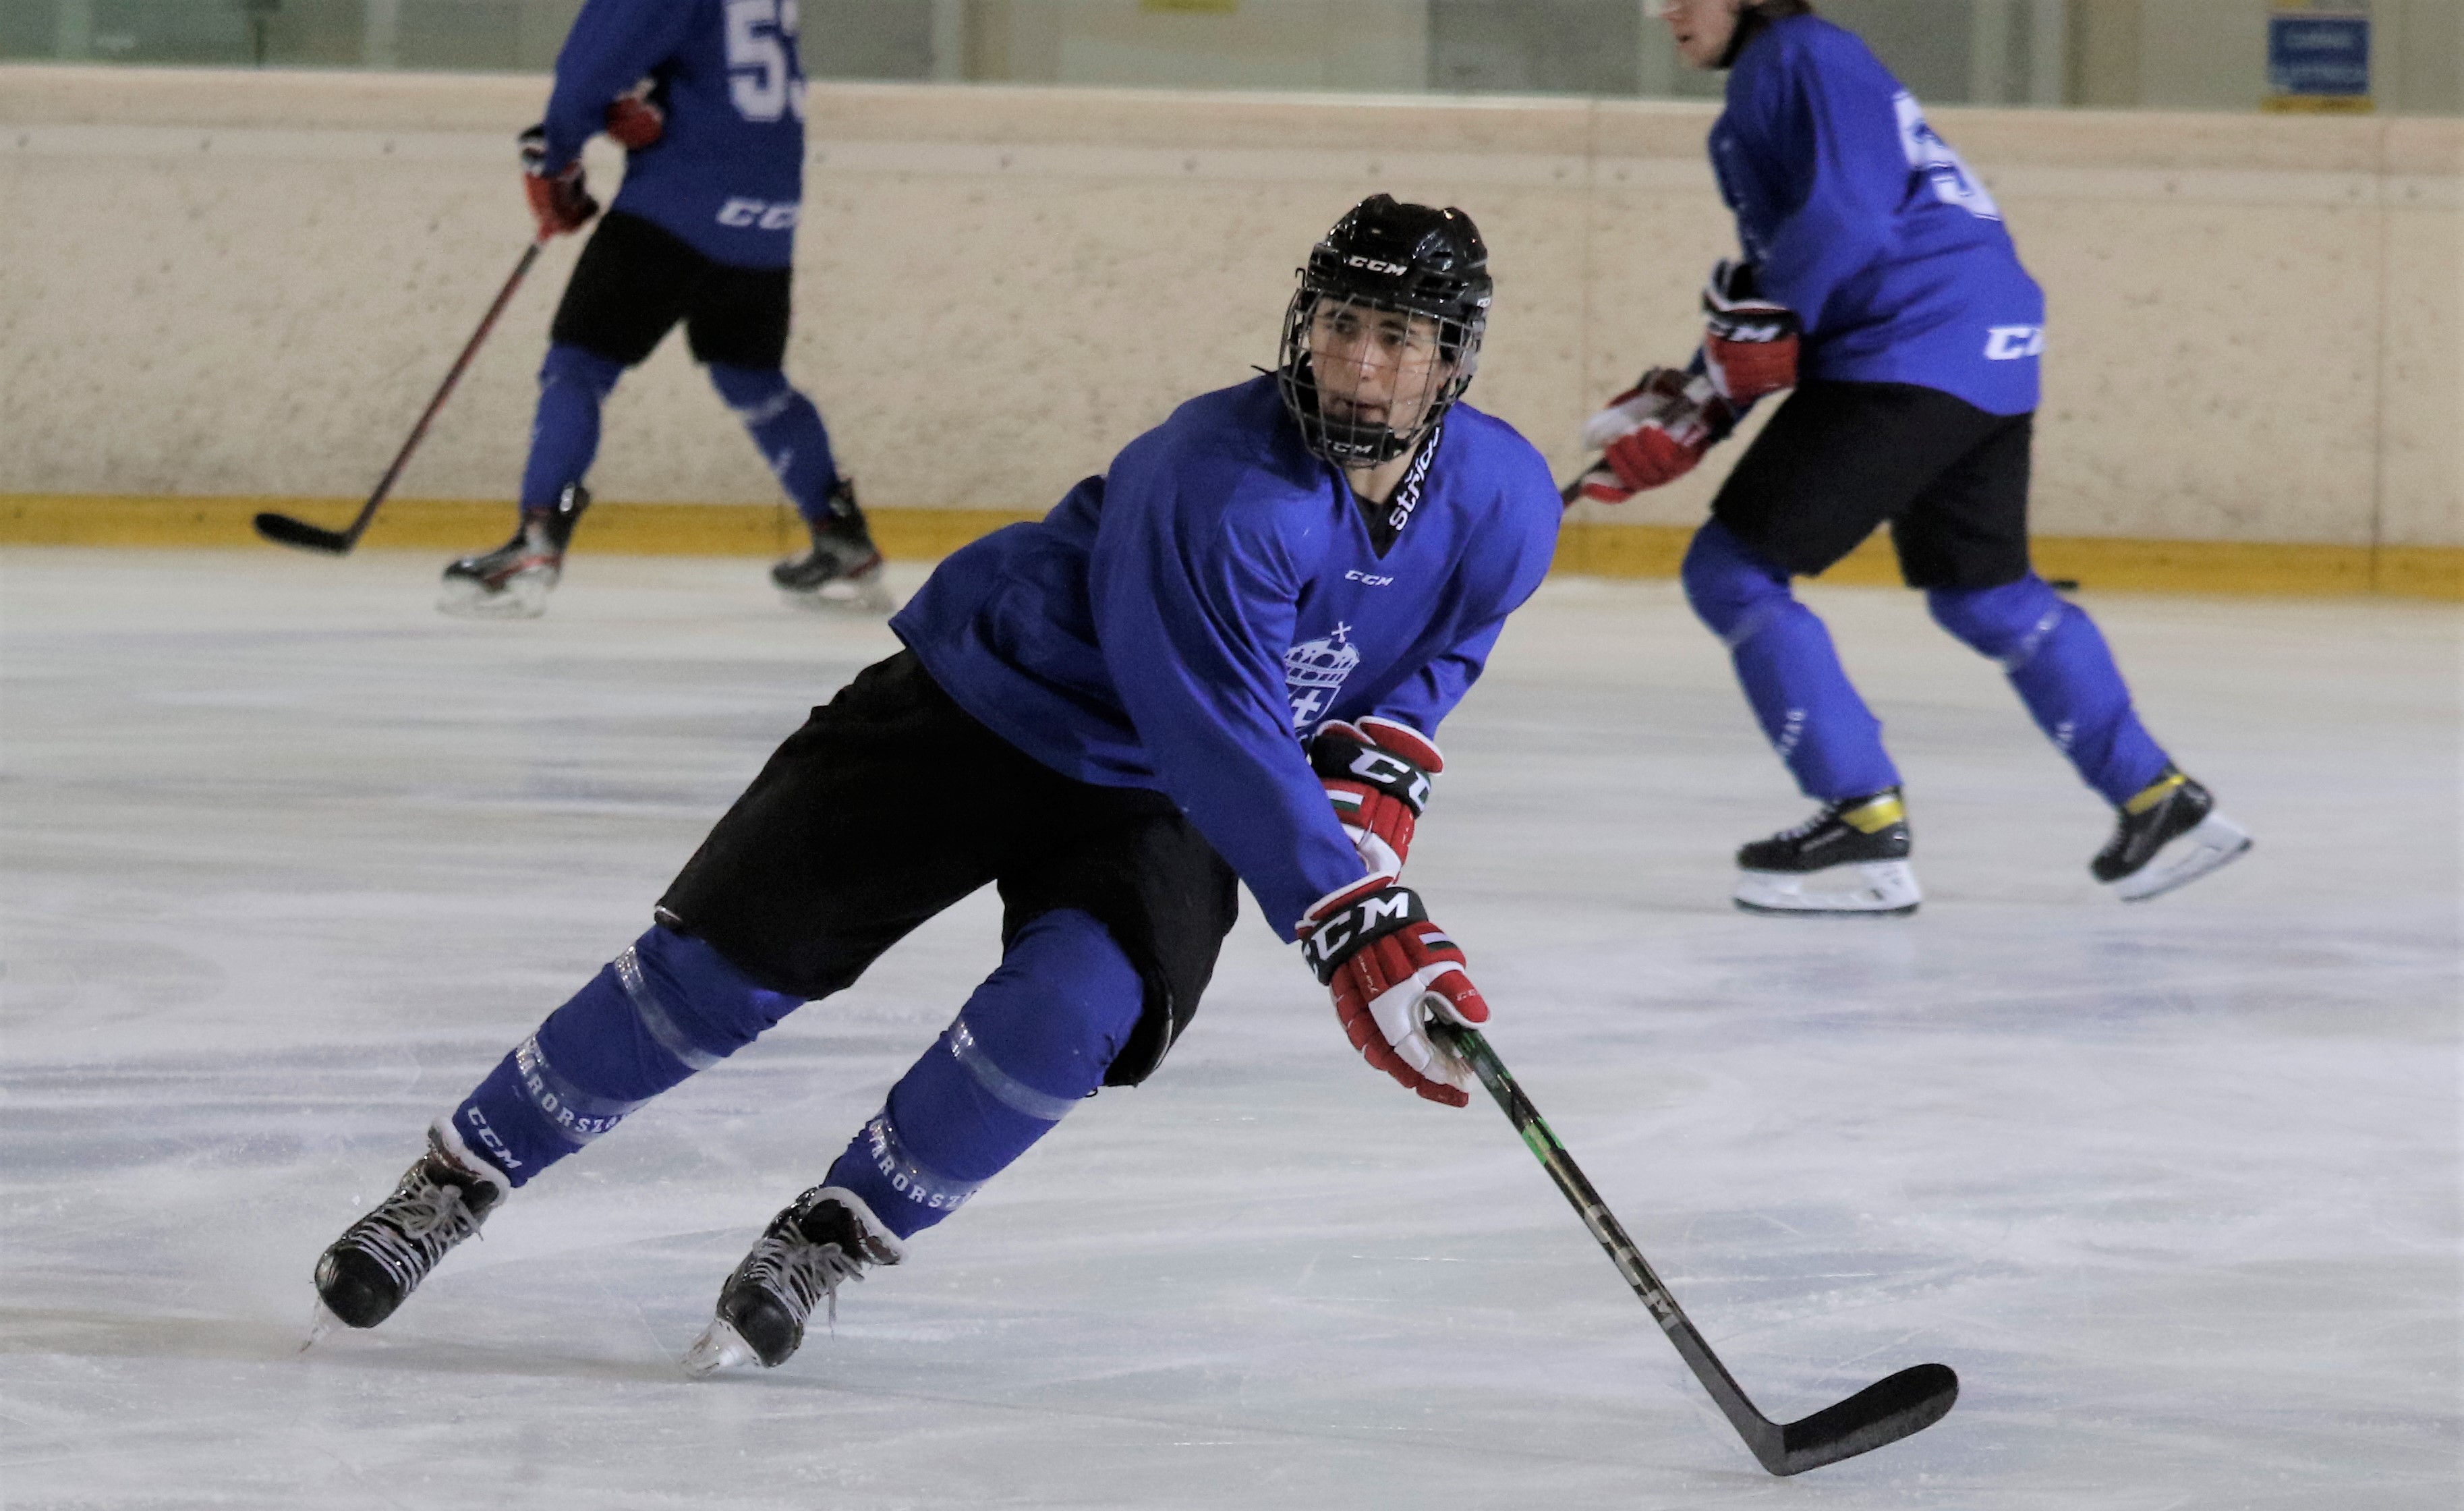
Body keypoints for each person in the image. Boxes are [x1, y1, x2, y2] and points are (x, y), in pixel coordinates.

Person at [308, 196, 1562, 1375]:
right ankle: (461, 1176)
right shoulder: (1222, 478)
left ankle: (834, 1232)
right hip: (988, 703)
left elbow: (1429, 658)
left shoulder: (1503, 500)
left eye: (1395, 335)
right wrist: (1353, 917)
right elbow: (1218, 725)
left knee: (1069, 1018)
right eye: (1339, 321)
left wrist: (1373, 798)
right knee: (723, 969)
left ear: (1451, 359)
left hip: (1161, 796)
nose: (1356, 362)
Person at [1579, 0, 2250, 915]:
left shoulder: (1792, 58)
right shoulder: (1804, 70)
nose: (1663, 10)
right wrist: (1702, 399)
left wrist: (1710, 399)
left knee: (1733, 572)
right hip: (1986, 348)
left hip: (1910, 346)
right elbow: (1786, 299)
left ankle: (1860, 819)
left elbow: (1842, 229)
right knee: (1985, 595)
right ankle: (2155, 797)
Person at [439, 0, 886, 619]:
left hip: (678, 203)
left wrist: (556, 154)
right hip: (768, 208)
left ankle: (535, 544)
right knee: (751, 376)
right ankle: (843, 541)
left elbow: (592, 66)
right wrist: (647, 100)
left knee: (579, 365)